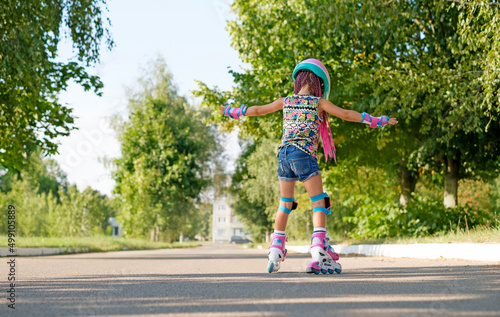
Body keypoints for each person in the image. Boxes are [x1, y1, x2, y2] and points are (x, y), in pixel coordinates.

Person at [219, 58, 398, 274]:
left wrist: (232, 111)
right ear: (319, 84)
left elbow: (257, 110)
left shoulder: (286, 100)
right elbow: (347, 115)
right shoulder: (318, 102)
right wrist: (378, 120)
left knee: (285, 203)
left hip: (283, 155)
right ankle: (318, 249)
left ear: (299, 81)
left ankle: (275, 251)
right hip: (303, 155)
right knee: (319, 202)